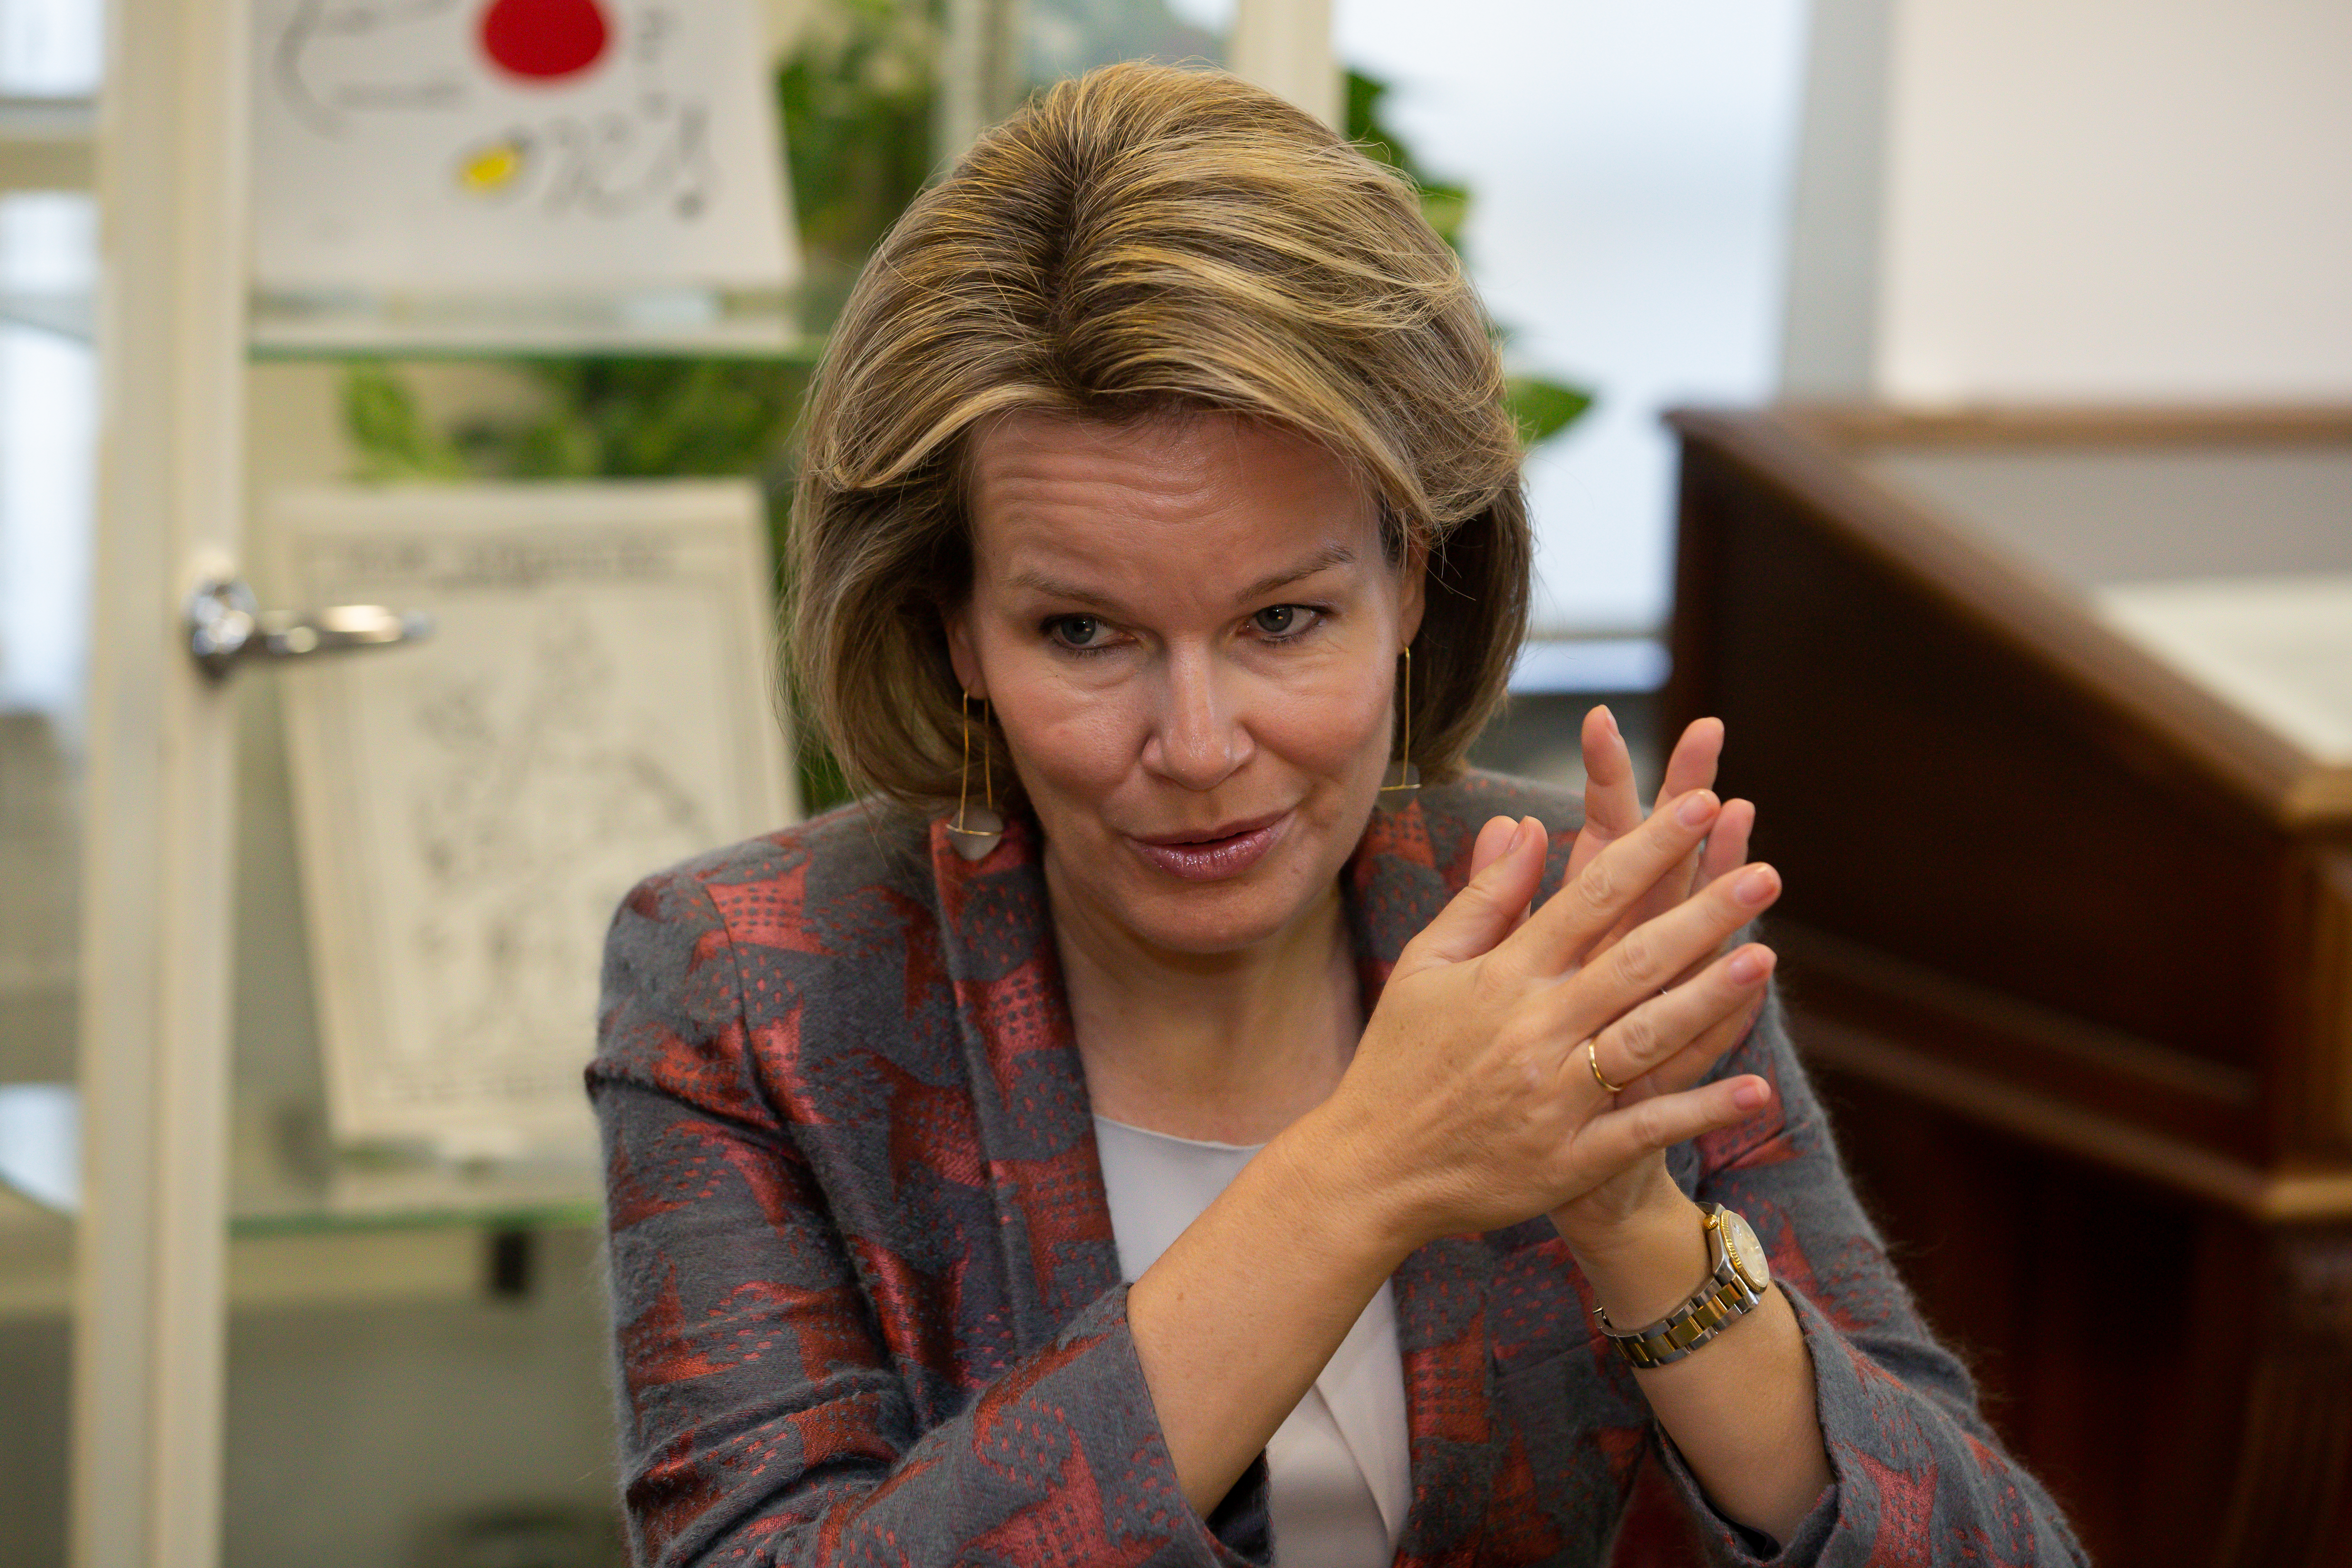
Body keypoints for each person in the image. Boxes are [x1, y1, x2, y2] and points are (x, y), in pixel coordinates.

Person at [590, 63, 2083, 1568]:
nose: (1196, 744)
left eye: (1286, 620)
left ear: (1413, 583)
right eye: (1083, 636)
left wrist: (1637, 1227)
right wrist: (1361, 1172)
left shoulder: (1581, 921)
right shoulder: (753, 981)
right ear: (955, 631)